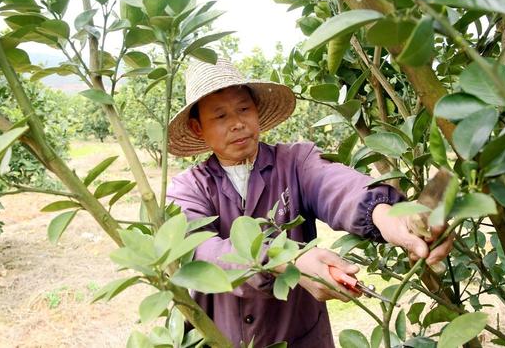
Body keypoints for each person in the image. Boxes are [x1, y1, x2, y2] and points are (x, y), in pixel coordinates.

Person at [166, 59, 453, 348]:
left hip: (300, 337)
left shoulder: (294, 162)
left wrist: (387, 214)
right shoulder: (188, 188)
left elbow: (335, 185)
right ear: (198, 127)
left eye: (243, 109)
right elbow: (199, 251)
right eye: (220, 116)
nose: (238, 123)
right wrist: (286, 262)